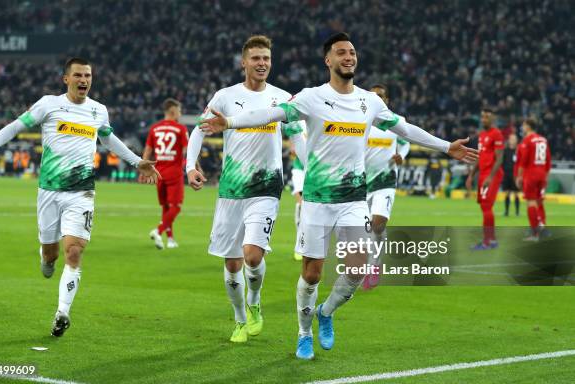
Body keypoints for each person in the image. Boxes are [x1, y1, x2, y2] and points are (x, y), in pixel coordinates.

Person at [200, 32, 477, 359]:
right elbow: (270, 114)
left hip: (353, 200)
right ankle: (303, 333)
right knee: (312, 273)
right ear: (328, 60)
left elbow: (404, 128)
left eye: (352, 52)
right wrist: (229, 121)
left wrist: (446, 147)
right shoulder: (310, 98)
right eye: (341, 52)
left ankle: (326, 312)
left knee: (358, 267)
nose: (349, 57)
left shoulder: (369, 101)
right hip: (317, 202)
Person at [0, 57, 160, 337]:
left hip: (81, 192)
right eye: (78, 75)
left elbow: (108, 139)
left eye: (88, 76)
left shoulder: (98, 111)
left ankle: (62, 312)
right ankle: (46, 258)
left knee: (74, 251)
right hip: (49, 191)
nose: (84, 80)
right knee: (51, 256)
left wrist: (136, 161)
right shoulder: (49, 104)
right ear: (66, 79)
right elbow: (17, 126)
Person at [186, 35, 306, 343]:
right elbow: (198, 131)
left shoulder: (283, 98)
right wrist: (190, 165)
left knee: (252, 256)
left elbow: (298, 139)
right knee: (232, 261)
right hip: (231, 189)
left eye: (266, 58)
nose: (262, 63)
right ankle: (240, 319)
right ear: (244, 62)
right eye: (256, 58)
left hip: (267, 187)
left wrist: (313, 168)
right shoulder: (225, 96)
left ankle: (254, 301)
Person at [362, 84, 410, 290]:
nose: (376, 98)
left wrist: (402, 155)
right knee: (364, 230)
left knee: (378, 224)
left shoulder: (396, 121)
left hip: (386, 180)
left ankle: (374, 266)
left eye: (380, 95)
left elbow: (407, 141)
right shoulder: (361, 121)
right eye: (372, 95)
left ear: (387, 100)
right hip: (361, 182)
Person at [144, 98, 189, 249]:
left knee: (165, 207)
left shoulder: (154, 128)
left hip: (159, 173)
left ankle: (170, 240)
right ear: (172, 111)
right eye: (179, 110)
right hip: (174, 173)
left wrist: (144, 168)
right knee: (176, 207)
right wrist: (194, 167)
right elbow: (186, 151)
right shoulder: (180, 129)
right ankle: (158, 230)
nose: (180, 113)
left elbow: (148, 151)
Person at [466, 108, 504, 250]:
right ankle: (491, 240)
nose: (483, 119)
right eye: (482, 117)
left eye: (487, 117)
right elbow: (480, 157)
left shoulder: (497, 134)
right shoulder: (482, 135)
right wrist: (471, 175)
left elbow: (499, 158)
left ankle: (487, 242)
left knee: (487, 206)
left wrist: (490, 177)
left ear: (493, 119)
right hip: (483, 174)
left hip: (492, 174)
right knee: (484, 207)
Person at [515, 118, 551, 241]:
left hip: (531, 174)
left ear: (528, 126)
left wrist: (519, 177)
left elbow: (523, 161)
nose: (522, 127)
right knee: (539, 201)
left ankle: (534, 234)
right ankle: (541, 227)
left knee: (531, 203)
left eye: (524, 125)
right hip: (542, 174)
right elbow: (548, 161)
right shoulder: (543, 140)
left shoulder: (527, 140)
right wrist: (546, 177)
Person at [291, 144, 306, 261]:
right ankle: (300, 248)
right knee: (301, 211)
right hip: (305, 202)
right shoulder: (298, 165)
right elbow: (298, 192)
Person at [502, 133, 520, 216]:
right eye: (511, 139)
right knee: (507, 193)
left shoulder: (519, 150)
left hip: (515, 175)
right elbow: (502, 162)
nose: (513, 140)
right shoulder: (505, 150)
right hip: (506, 174)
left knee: (516, 193)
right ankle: (506, 211)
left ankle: (517, 212)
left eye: (514, 139)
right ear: (509, 141)